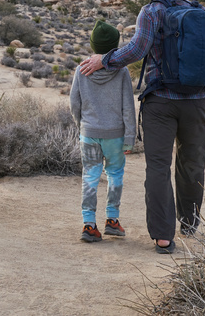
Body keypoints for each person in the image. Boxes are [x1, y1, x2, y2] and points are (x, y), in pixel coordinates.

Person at [78, 0, 205, 254]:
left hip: (160, 102)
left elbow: (137, 49)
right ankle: (189, 223)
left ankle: (163, 237)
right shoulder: (202, 13)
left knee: (158, 167)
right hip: (196, 102)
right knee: (192, 163)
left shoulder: (151, 11)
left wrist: (104, 60)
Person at [70, 19, 136, 243]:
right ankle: (112, 221)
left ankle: (89, 225)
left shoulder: (82, 69)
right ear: (114, 47)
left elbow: (74, 103)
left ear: (93, 44)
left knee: (90, 175)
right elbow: (128, 106)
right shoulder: (122, 71)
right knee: (115, 174)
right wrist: (129, 137)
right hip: (115, 134)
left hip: (89, 133)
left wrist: (82, 125)